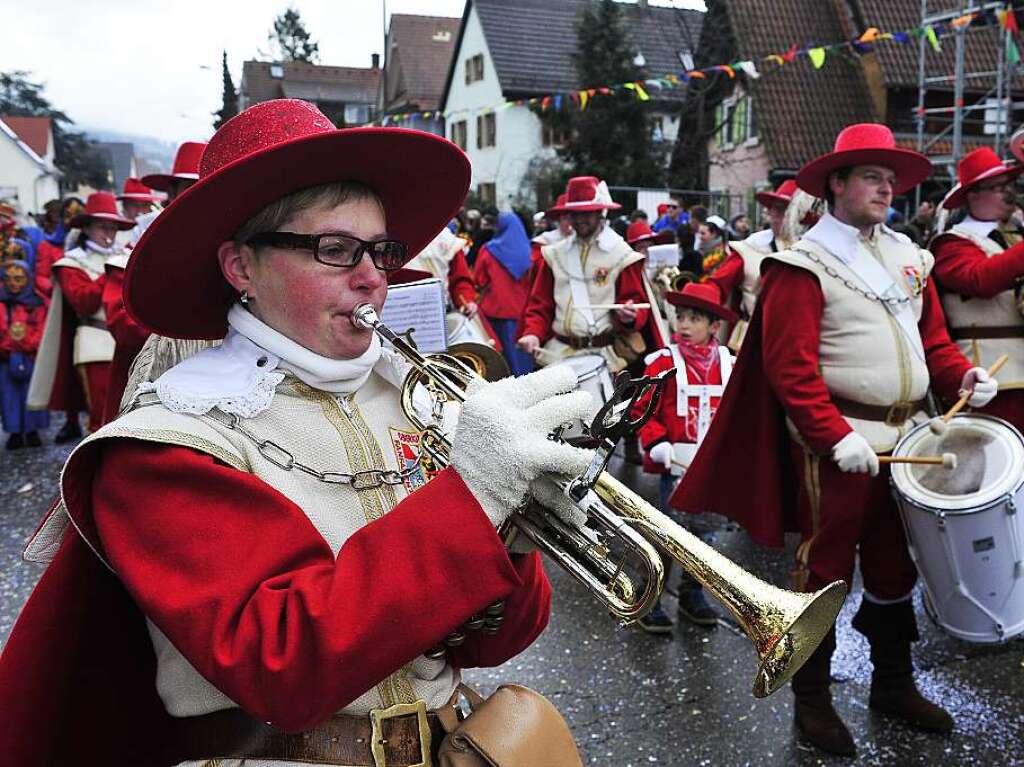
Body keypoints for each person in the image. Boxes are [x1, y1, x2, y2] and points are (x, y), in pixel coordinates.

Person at [0, 98, 591, 767]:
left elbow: (488, 644)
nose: (373, 273)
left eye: (381, 249)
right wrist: (472, 499)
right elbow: (284, 663)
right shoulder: (166, 445)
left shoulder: (415, 402)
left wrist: (515, 532)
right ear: (242, 267)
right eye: (335, 248)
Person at [672, 124, 997, 757]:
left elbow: (931, 343)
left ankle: (892, 685)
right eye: (872, 177)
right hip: (840, 444)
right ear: (837, 186)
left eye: (890, 179)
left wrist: (964, 376)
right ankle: (812, 704)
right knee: (824, 573)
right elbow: (789, 367)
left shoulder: (909, 256)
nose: (886, 188)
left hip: (909, 441)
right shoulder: (802, 265)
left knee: (894, 566)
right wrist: (831, 435)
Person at [632, 282, 736, 633]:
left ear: (714, 327)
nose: (684, 325)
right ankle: (650, 598)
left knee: (704, 539)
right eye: (681, 317)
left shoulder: (730, 365)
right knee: (665, 536)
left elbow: (740, 416)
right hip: (675, 464)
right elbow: (642, 410)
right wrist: (656, 441)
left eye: (694, 318)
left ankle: (692, 594)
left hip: (714, 471)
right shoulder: (663, 362)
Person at [517, 176, 663, 373]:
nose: (579, 220)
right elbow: (540, 304)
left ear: (600, 213)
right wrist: (533, 333)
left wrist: (629, 317)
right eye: (574, 214)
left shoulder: (622, 256)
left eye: (586, 214)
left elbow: (635, 302)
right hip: (556, 354)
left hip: (602, 357)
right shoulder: (554, 254)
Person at [930, 147, 1024, 432]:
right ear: (972, 195)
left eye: (1009, 186)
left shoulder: (1014, 237)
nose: (1008, 194)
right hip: (990, 377)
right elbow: (979, 280)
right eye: (998, 187)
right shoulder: (951, 243)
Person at [32, 192, 133, 434]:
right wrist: (112, 272)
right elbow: (83, 302)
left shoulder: (125, 256)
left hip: (128, 340)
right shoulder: (72, 264)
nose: (109, 234)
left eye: (113, 228)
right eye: (102, 227)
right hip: (95, 343)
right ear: (87, 228)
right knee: (102, 417)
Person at [707, 180, 812, 349]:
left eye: (788, 211)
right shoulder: (749, 248)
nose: (780, 217)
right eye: (776, 209)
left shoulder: (810, 251)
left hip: (796, 339)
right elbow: (717, 286)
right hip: (753, 340)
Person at [474, 211, 535, 375]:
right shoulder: (530, 251)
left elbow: (479, 280)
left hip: (493, 313)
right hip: (521, 314)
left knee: (497, 362)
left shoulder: (488, 250)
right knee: (521, 359)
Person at [0, 259, 49, 448]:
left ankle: (32, 430)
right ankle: (14, 432)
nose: (13, 283)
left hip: (32, 357)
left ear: (28, 279)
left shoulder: (37, 302)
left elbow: (43, 330)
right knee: (9, 396)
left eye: (19, 279)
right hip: (6, 358)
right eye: (9, 279)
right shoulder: (2, 302)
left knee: (32, 393)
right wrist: (10, 346)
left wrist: (25, 344)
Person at [696, 215, 729, 279]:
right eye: (699, 233)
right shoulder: (701, 248)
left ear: (714, 234)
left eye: (703, 233)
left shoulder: (720, 252)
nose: (700, 237)